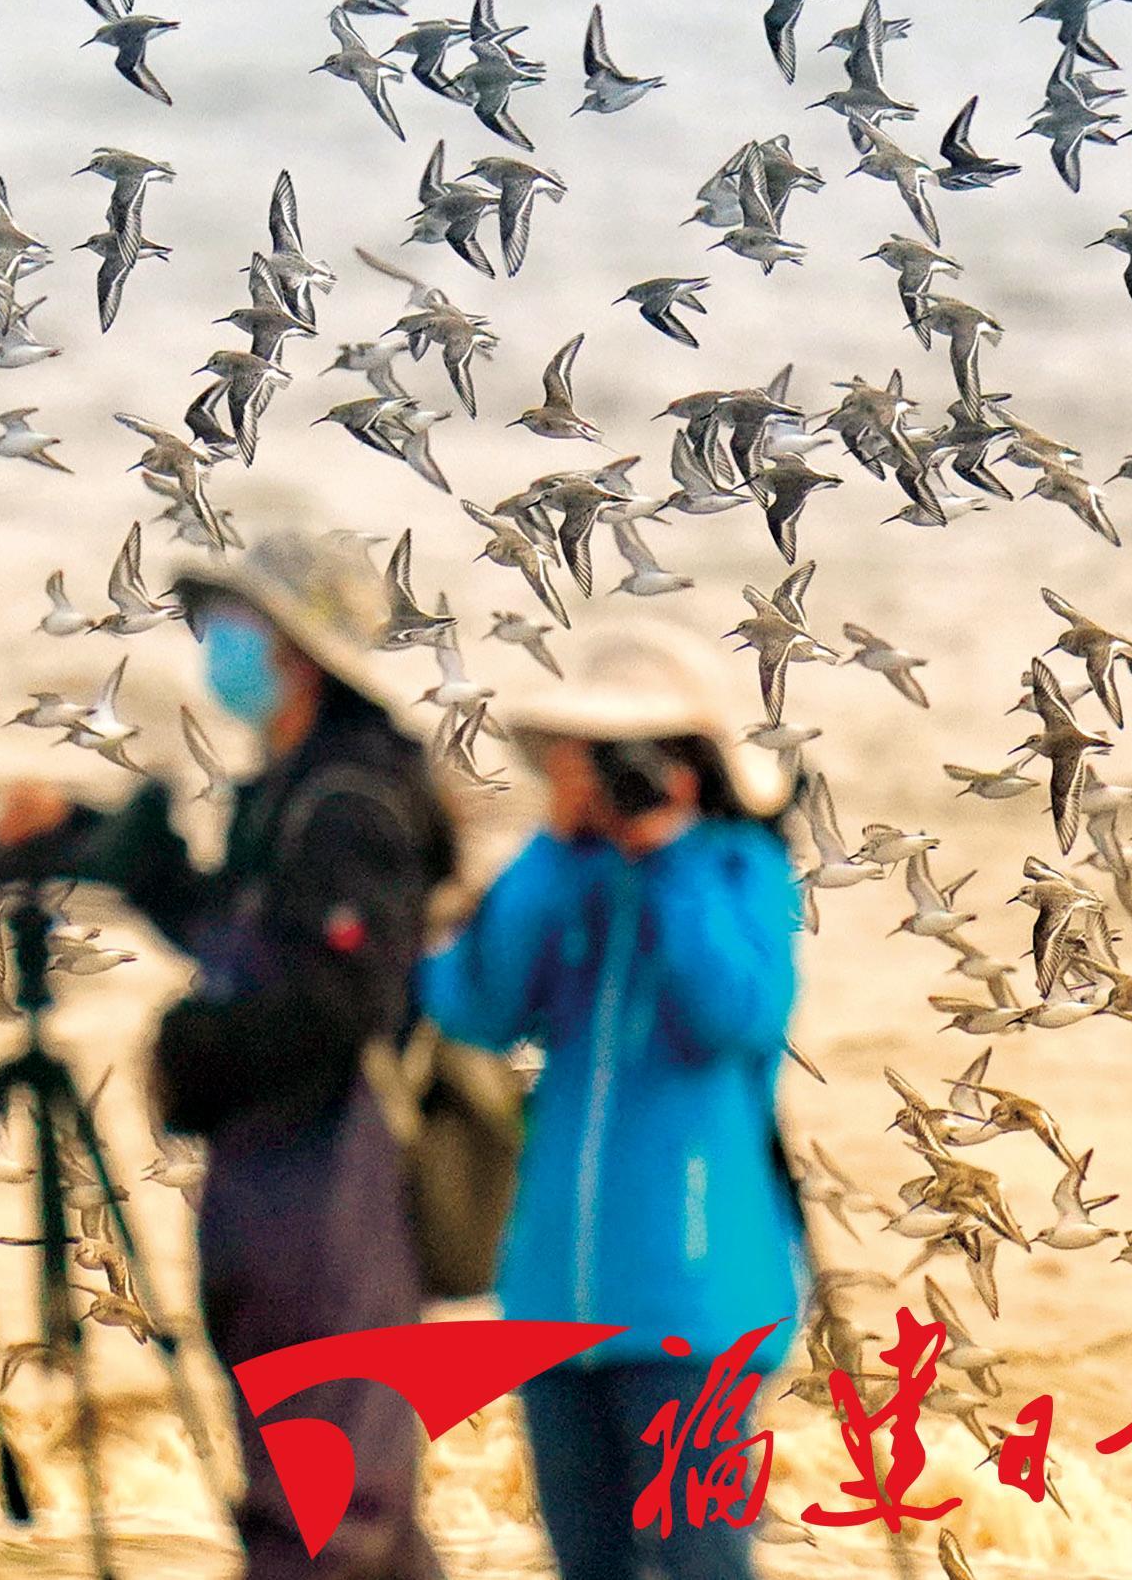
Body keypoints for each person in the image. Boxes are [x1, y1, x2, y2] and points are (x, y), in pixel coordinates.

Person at [0, 531, 461, 1580]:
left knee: (318, 1517)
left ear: (295, 652)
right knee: (352, 1522)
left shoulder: (347, 805)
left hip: (332, 1194)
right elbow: (240, 936)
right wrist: (100, 843)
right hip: (276, 1190)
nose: (216, 650)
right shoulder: (297, 789)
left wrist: (193, 1052)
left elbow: (336, 1001)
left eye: (235, 630)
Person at [418, 640, 803, 1580]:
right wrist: (553, 845)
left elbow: (735, 1015)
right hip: (554, 1294)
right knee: (586, 1562)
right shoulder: (562, 874)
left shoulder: (737, 869)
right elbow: (476, 1004)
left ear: (687, 763)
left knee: (699, 1560)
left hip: (696, 1299)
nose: (604, 776)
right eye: (586, 754)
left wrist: (664, 858)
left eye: (622, 755)